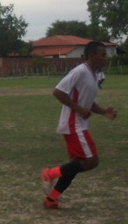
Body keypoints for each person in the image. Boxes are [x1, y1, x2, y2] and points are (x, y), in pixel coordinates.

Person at [40, 41, 117, 209]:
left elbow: (88, 102)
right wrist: (79, 109)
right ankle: (49, 173)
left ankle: (51, 200)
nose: (106, 58)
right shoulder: (80, 71)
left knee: (74, 166)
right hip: (73, 124)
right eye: (103, 55)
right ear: (91, 56)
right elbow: (58, 92)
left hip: (78, 123)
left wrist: (104, 111)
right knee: (91, 160)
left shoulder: (94, 74)